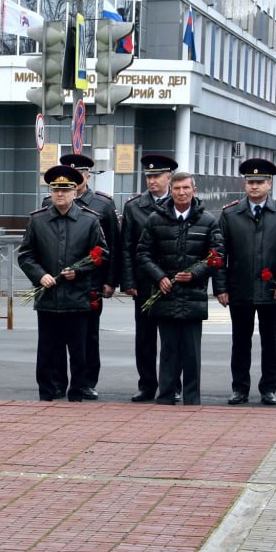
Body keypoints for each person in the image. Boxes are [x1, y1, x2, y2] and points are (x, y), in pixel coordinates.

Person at [215, 158, 276, 406]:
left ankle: (268, 388)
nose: (254, 186)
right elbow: (219, 255)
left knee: (271, 343)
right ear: (245, 184)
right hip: (239, 288)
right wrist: (221, 287)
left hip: (271, 290)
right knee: (240, 342)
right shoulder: (230, 214)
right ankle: (240, 388)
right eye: (250, 182)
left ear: (270, 184)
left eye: (259, 182)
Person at [22, 165, 109, 402]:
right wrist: (40, 275)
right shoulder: (38, 220)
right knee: (47, 350)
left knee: (78, 351)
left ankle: (77, 392)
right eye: (55, 190)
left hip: (77, 296)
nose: (60, 195)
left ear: (74, 192)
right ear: (50, 192)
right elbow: (26, 255)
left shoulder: (89, 220)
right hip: (48, 297)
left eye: (65, 190)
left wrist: (78, 271)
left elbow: (101, 253)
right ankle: (47, 391)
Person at [134, 171, 222, 405]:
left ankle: (192, 399)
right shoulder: (156, 219)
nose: (181, 192)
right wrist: (159, 277)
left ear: (194, 190)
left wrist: (194, 273)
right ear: (170, 191)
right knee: (169, 351)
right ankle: (165, 397)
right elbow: (142, 254)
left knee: (192, 353)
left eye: (186, 188)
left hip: (193, 295)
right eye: (177, 189)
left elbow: (217, 256)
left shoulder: (208, 220)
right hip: (165, 294)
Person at [47, 153, 120, 399]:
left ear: (87, 176)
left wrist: (111, 281)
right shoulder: (50, 201)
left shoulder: (102, 204)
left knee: (88, 336)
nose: (72, 180)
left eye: (77, 174)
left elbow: (112, 245)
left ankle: (86, 381)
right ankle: (57, 382)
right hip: (58, 283)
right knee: (57, 338)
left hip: (91, 282)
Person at [120, 154, 178, 402]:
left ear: (169, 177)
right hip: (144, 282)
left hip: (172, 283)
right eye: (149, 177)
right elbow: (127, 247)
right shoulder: (134, 206)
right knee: (144, 338)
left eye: (157, 176)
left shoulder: (181, 202)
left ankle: (172, 385)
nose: (152, 181)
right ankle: (146, 385)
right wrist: (129, 281)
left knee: (171, 339)